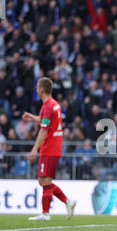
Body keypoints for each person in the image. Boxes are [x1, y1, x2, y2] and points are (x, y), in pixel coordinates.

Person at [22, 77, 77, 221]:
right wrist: (32, 117)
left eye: (37, 89)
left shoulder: (47, 106)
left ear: (41, 90)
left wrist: (34, 149)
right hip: (54, 147)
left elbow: (43, 130)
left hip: (50, 148)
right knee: (43, 180)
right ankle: (67, 202)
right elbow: (46, 120)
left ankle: (46, 213)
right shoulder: (54, 104)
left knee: (45, 180)